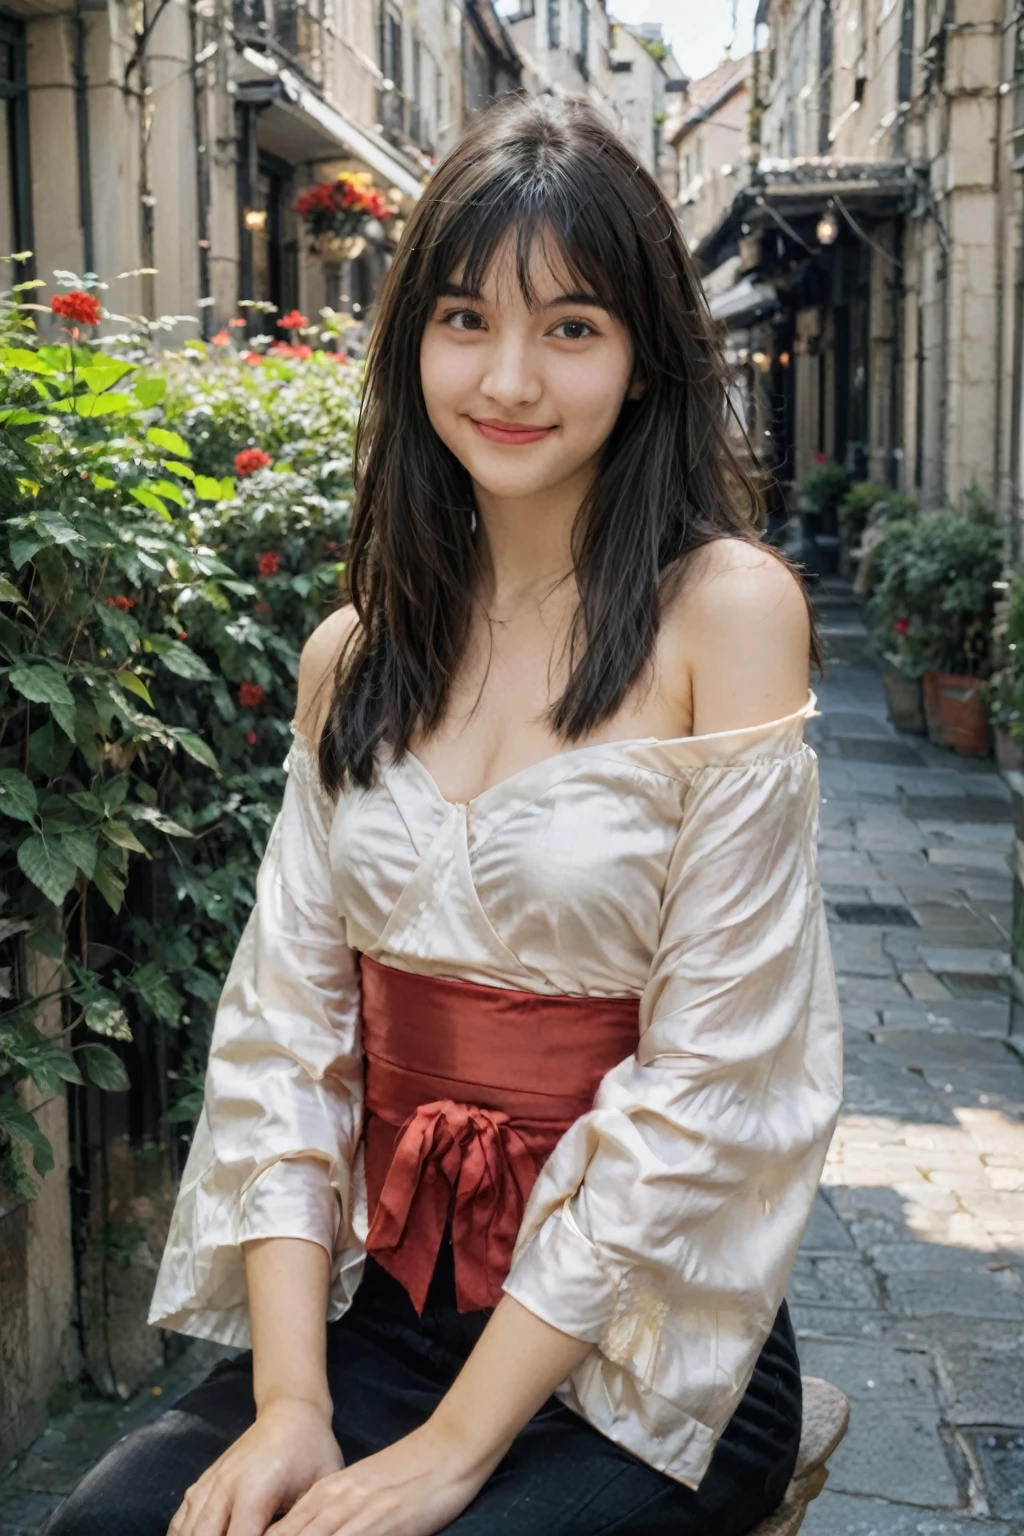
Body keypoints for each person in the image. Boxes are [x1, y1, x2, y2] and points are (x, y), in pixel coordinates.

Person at [46, 94, 842, 1536]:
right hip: (382, 1313)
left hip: (635, 1341)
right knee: (116, 1520)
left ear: (648, 355)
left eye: (574, 327)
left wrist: (458, 1449)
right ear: (411, 336)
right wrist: (294, 1403)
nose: (511, 376)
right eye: (467, 318)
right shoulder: (355, 652)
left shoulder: (724, 616)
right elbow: (286, 1041)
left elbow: (719, 1083)